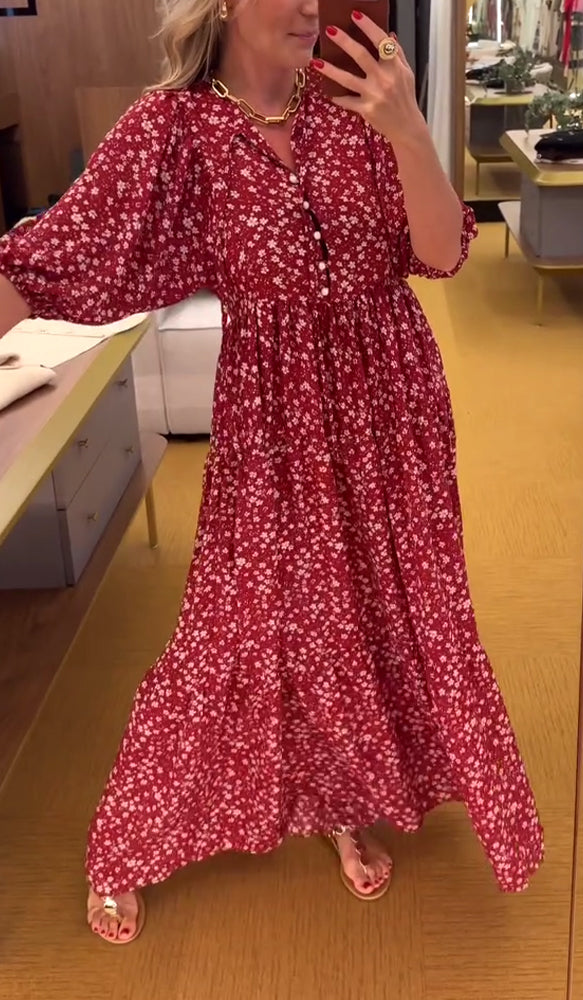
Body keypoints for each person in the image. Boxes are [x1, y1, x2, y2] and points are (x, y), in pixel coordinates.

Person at [0, 0, 544, 944]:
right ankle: (127, 844)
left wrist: (409, 129)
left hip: (393, 407)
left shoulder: (357, 106)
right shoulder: (172, 129)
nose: (307, 7)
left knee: (380, 611)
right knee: (234, 629)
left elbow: (441, 252)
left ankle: (340, 800)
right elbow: (48, 262)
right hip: (277, 424)